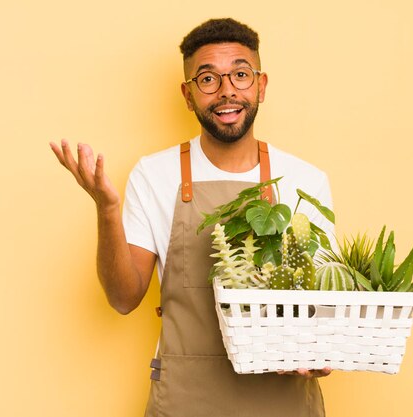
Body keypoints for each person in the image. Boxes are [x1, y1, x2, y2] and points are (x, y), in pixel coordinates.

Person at [50, 17, 333, 417]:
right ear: (187, 95)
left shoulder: (305, 181)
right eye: (208, 79)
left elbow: (323, 302)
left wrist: (324, 351)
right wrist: (106, 209)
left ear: (261, 85)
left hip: (284, 400)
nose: (227, 91)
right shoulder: (154, 174)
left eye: (240, 74)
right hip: (185, 401)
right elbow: (123, 298)